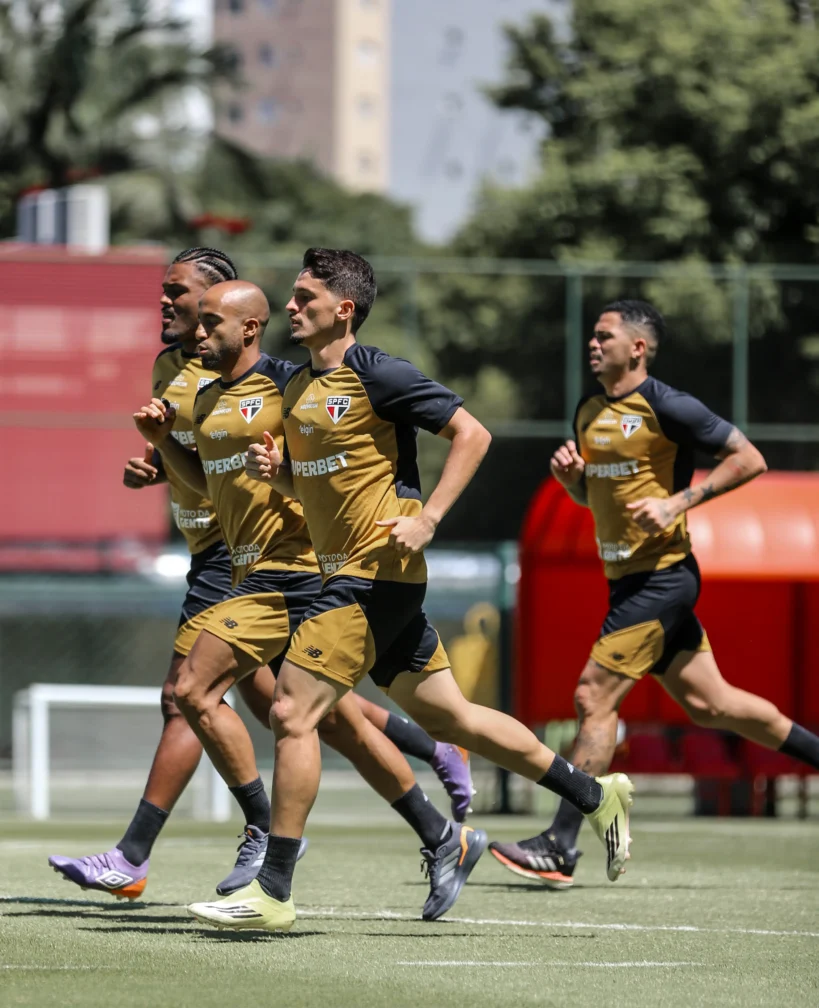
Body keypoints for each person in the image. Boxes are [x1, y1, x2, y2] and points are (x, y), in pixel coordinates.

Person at [187, 248, 635, 934]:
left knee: (291, 712)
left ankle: (272, 890)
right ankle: (594, 795)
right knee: (451, 719)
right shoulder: (300, 387)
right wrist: (281, 475)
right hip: (358, 577)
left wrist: (428, 518)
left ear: (344, 309)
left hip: (373, 574)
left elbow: (472, 434)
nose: (290, 308)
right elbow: (326, 486)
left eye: (305, 298)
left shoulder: (379, 372)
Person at [48, 249, 470, 903]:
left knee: (198, 694)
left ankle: (199, 844)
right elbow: (208, 472)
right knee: (311, 715)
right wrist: (161, 453)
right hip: (232, 560)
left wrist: (411, 511)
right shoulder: (182, 376)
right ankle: (436, 816)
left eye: (185, 296)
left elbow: (338, 453)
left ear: (232, 310)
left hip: (281, 566)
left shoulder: (285, 382)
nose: (170, 305)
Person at [489, 299, 819, 889]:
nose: (593, 345)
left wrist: (677, 502)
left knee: (592, 696)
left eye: (605, 336)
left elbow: (749, 458)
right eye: (593, 336)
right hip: (626, 583)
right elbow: (596, 498)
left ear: (638, 348)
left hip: (664, 578)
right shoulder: (589, 410)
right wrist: (573, 484)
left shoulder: (668, 405)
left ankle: (560, 845)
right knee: (713, 706)